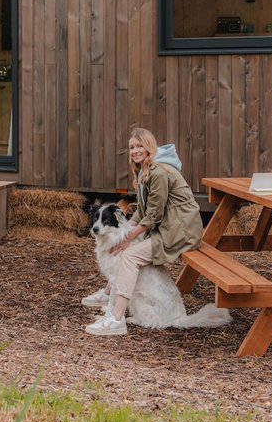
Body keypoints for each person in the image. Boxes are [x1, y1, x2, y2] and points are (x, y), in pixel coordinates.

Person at [82, 128, 204, 336]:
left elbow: (153, 216)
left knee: (128, 256)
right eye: (131, 147)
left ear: (150, 147)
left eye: (140, 146)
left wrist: (127, 239)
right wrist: (127, 233)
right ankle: (110, 292)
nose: (135, 150)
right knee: (128, 246)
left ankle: (116, 319)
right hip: (169, 227)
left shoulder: (158, 172)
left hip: (180, 231)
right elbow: (142, 210)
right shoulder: (145, 171)